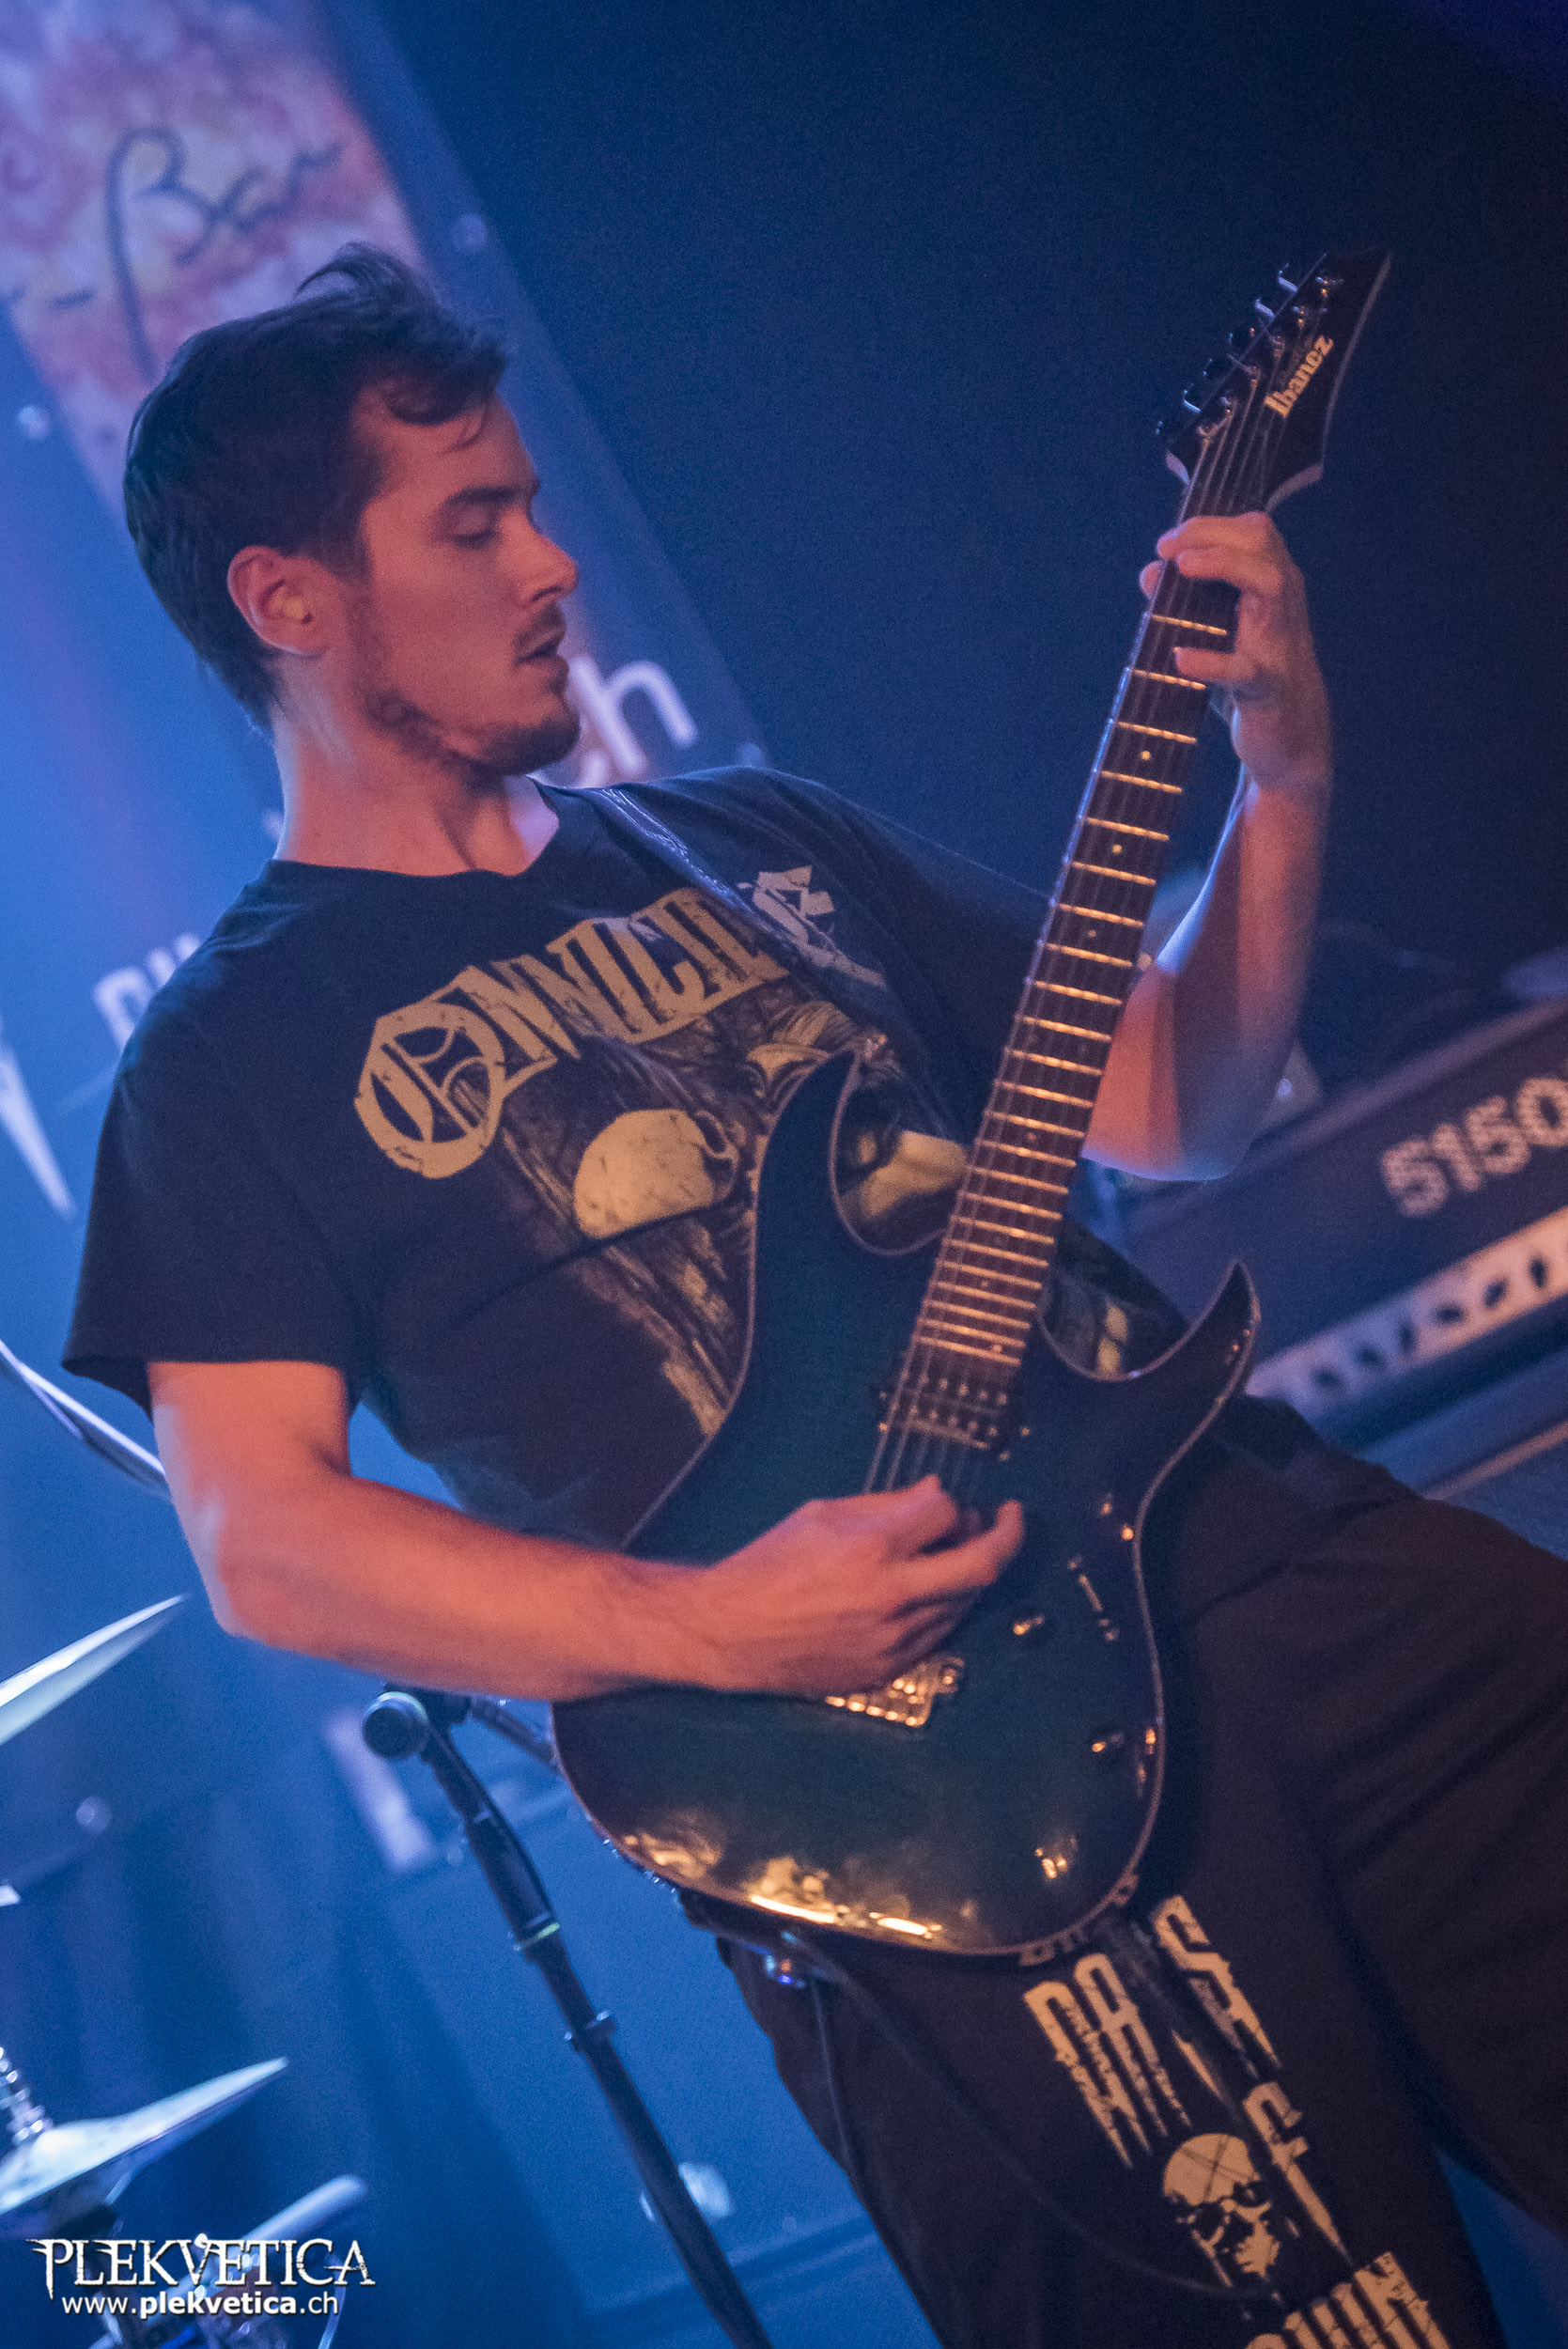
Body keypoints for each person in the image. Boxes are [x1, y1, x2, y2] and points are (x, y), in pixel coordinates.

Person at [64, 250, 1565, 2348]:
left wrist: (1284, 777)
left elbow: (1175, 1096)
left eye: (536, 506)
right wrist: (710, 1627)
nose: (551, 563)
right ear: (286, 600)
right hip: (942, 1787)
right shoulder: (228, 1058)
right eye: (474, 525)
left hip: (1278, 1564)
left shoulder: (748, 836)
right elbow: (264, 1538)